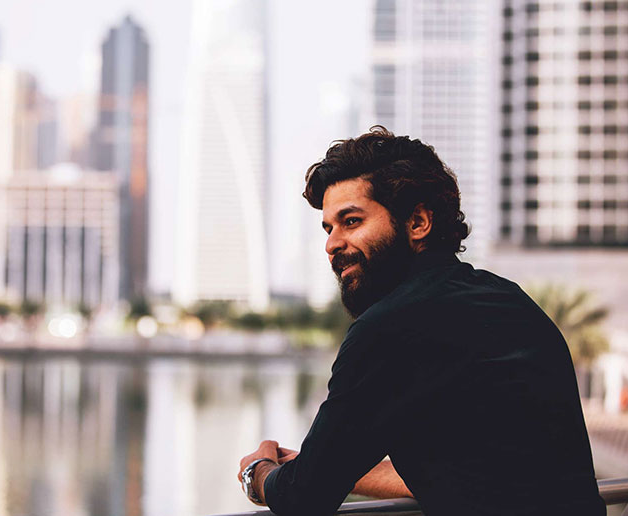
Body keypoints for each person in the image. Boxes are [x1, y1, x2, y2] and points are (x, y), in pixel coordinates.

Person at [237, 127, 606, 516]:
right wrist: (328, 465)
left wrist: (258, 472)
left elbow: (302, 498)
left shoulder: (386, 329)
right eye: (329, 228)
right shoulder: (509, 301)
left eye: (351, 221)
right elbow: (485, 469)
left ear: (417, 223)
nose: (332, 244)